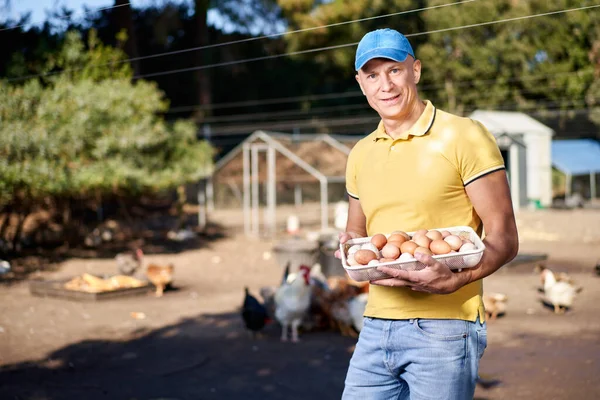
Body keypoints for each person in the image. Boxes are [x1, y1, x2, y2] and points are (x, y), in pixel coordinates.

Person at [337, 28, 519, 400]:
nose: (384, 85)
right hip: (374, 326)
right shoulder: (360, 153)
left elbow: (505, 238)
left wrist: (459, 278)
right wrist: (349, 251)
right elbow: (357, 231)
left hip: (445, 328)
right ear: (360, 83)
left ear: (415, 71)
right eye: (372, 75)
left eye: (394, 70)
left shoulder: (464, 135)